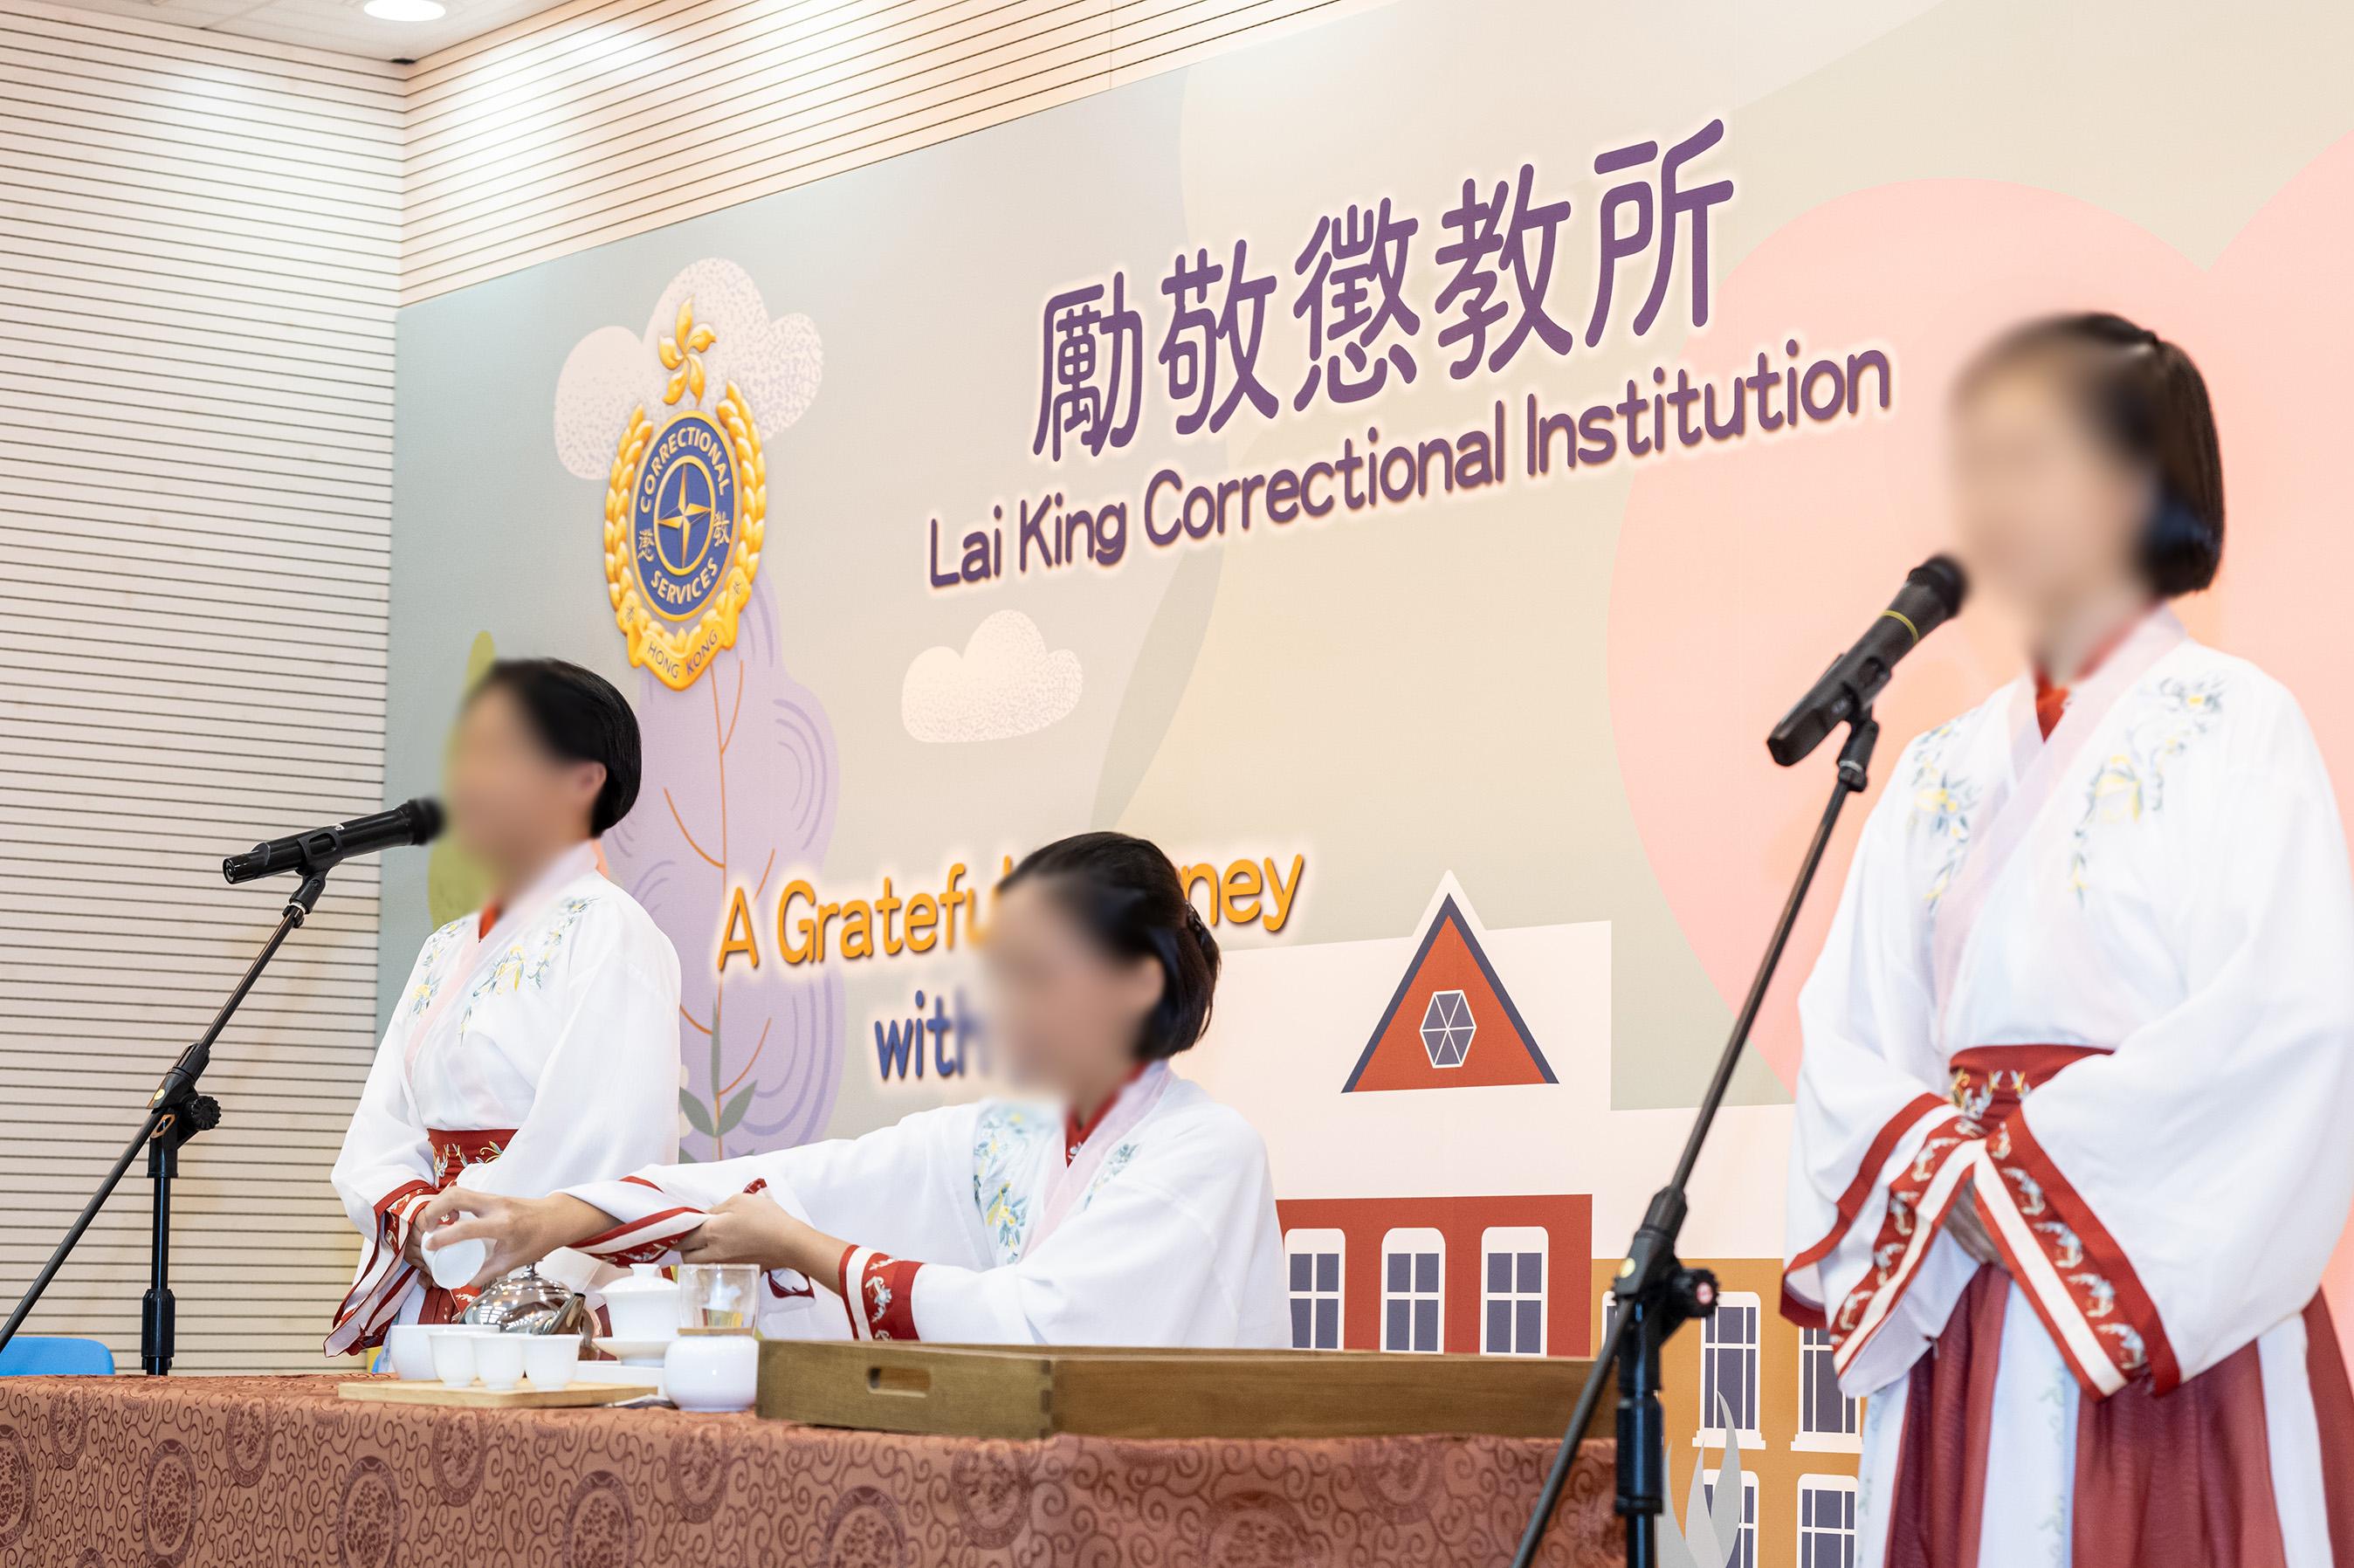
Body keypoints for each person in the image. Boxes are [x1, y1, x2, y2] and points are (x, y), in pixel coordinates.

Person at [1781, 313, 2354, 1566]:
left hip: (2150, 1296)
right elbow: (1849, 1036)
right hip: (1966, 1280)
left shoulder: (2239, 724)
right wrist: (1950, 1172)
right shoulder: (1933, 764)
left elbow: (2288, 1023)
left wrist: (2022, 1175)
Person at [419, 831, 1290, 1347]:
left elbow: (1040, 1327)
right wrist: (551, 1218)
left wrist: (805, 1249)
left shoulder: (1204, 1151)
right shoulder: (1010, 1137)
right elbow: (805, 1182)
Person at [326, 659, 681, 1355]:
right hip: (436, 1274)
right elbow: (383, 1129)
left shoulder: (610, 928)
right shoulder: (444, 947)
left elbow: (605, 1138)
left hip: (543, 1302)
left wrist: (468, 1237)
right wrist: (422, 1221)